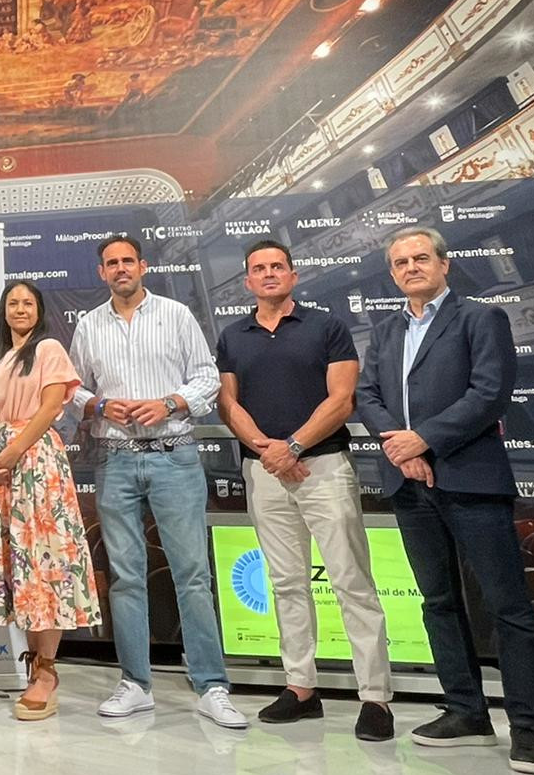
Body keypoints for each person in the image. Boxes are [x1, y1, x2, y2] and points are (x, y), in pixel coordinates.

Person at [356, 227, 534, 773]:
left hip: (472, 481)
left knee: (508, 607)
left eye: (421, 258)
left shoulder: (480, 319)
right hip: (408, 484)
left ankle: (529, 729)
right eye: (400, 262)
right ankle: (466, 710)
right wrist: (402, 449)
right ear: (392, 274)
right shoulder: (386, 330)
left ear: (444, 264)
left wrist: (425, 440)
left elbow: (489, 394)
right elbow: (367, 395)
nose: (410, 267)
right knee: (437, 601)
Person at [215, 239, 393, 741]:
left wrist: (292, 447)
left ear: (293, 275)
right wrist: (266, 449)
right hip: (264, 472)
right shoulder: (232, 335)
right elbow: (228, 404)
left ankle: (375, 697)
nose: (269, 273)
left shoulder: (327, 327)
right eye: (259, 268)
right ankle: (300, 688)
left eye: (278, 266)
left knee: (351, 581)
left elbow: (343, 399)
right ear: (247, 281)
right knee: (286, 582)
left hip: (324, 467)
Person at [69, 234, 246, 728]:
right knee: (125, 576)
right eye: (111, 263)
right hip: (115, 461)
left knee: (192, 575)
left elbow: (207, 377)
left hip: (175, 456)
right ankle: (135, 684)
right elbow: (72, 389)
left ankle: (211, 685)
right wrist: (99, 405)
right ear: (102, 272)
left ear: (142, 266)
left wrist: (168, 403)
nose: (121, 269)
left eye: (128, 260)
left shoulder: (176, 314)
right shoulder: (89, 325)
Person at [0, 280, 99, 722]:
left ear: (39, 310)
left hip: (36, 461)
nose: (20, 309)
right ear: (3, 311)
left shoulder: (48, 349)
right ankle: (34, 667)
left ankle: (47, 671)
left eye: (28, 303)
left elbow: (49, 408)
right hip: (1, 470)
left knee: (45, 560)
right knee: (18, 565)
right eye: (13, 303)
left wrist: (13, 449)